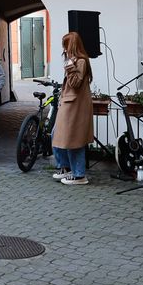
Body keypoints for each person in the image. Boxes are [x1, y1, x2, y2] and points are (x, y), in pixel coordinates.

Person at [52, 32, 94, 185]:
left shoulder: (81, 61)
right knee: (56, 135)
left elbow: (75, 83)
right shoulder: (76, 60)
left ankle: (79, 175)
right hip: (69, 104)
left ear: (71, 45)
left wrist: (70, 65)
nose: (64, 49)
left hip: (75, 105)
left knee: (73, 139)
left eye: (65, 45)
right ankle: (66, 168)